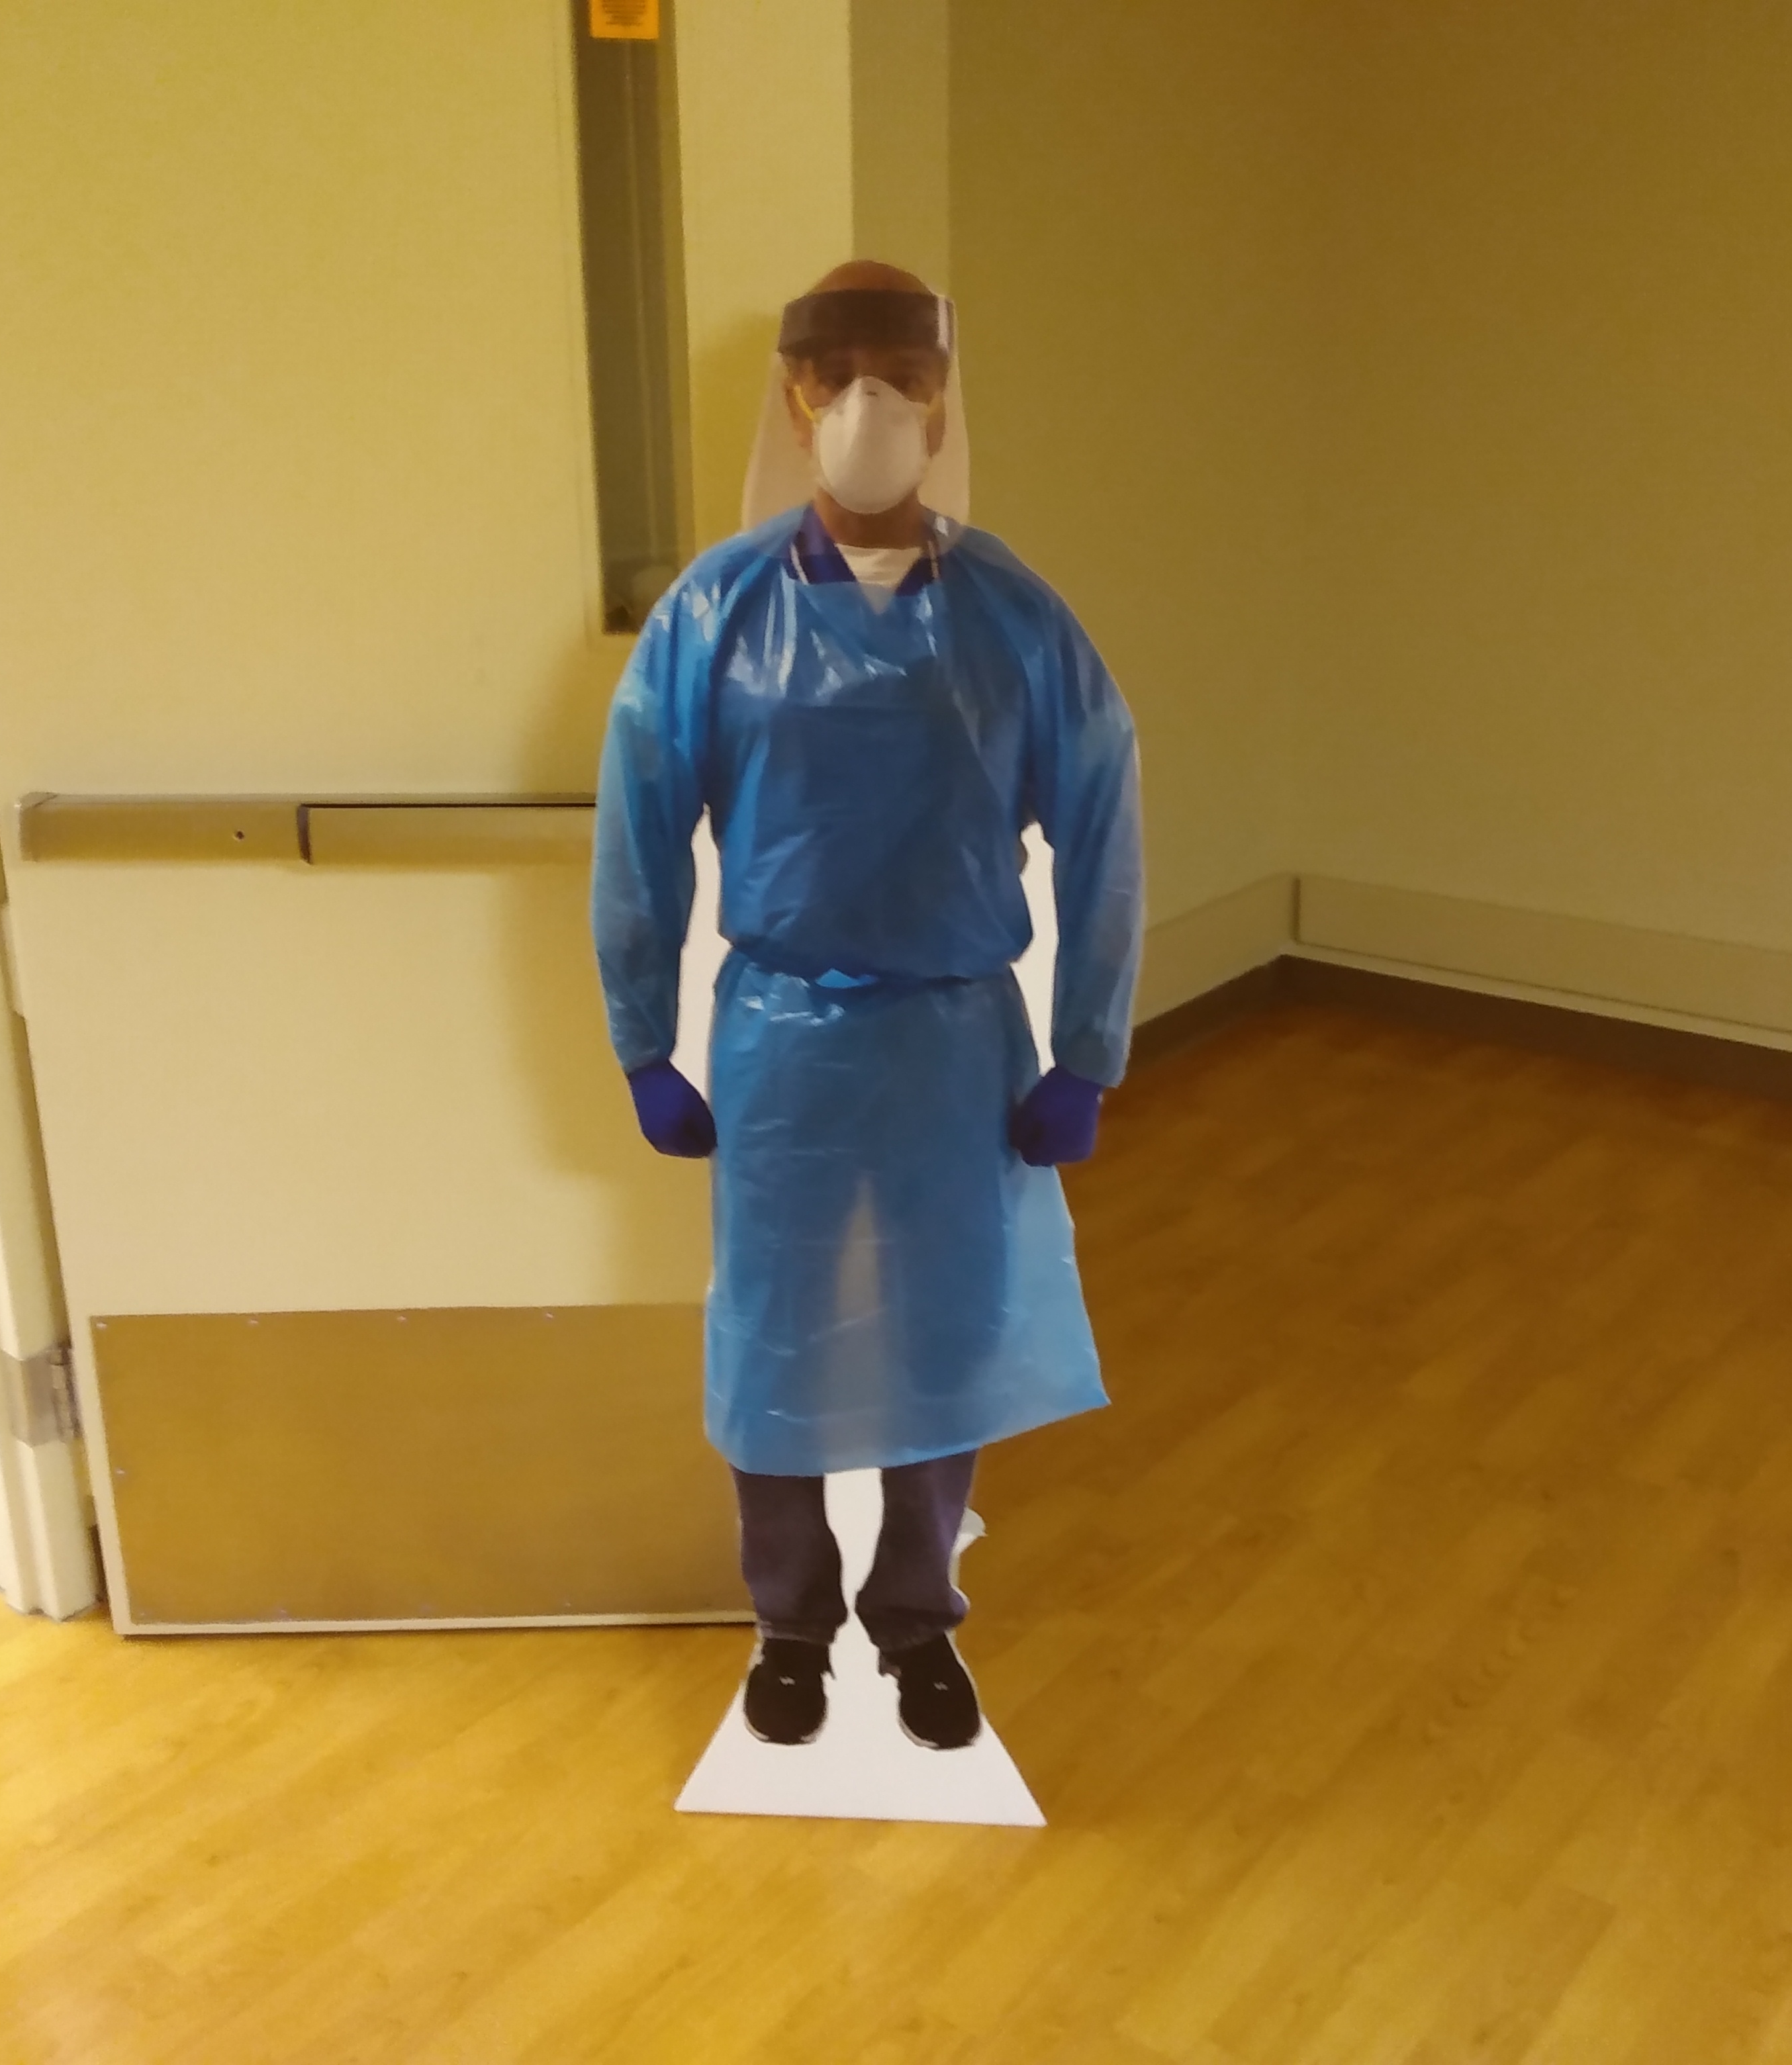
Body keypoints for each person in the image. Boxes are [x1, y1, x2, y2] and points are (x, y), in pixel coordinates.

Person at [590, 260, 1144, 1752]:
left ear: (944, 404)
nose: (869, 407)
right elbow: (640, 827)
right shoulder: (718, 612)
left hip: (958, 1041)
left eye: (901, 378)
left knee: (942, 1331)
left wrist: (1086, 1049)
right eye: (837, 379)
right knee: (776, 1329)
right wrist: (644, 1039)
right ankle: (789, 1622)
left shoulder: (1014, 617)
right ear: (794, 401)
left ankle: (915, 1618)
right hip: (778, 1039)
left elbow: (1105, 822)